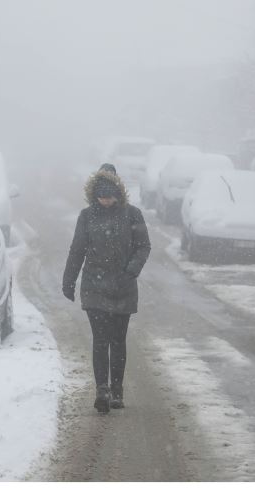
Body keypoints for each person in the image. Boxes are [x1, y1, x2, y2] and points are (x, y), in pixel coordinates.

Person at [62, 163, 151, 413]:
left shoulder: (133, 214)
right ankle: (102, 389)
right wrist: (69, 280)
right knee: (101, 340)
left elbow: (144, 246)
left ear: (118, 193)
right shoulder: (86, 216)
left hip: (123, 287)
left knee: (118, 340)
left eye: (109, 197)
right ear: (94, 194)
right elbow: (77, 249)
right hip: (95, 287)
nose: (106, 202)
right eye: (101, 197)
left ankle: (117, 390)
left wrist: (131, 270)